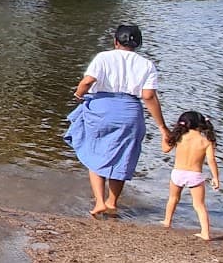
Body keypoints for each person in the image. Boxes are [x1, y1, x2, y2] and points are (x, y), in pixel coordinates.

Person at [64, 23, 169, 217]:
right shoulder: (147, 64)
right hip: (130, 112)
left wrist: (78, 95)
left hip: (101, 110)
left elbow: (87, 81)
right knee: (123, 156)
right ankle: (112, 202)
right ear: (138, 43)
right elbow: (148, 96)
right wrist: (162, 128)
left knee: (94, 152)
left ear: (115, 41)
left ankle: (99, 202)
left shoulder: (103, 57)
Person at [162, 111, 221, 241]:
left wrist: (164, 134)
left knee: (173, 199)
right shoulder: (206, 141)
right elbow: (211, 160)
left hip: (177, 173)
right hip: (195, 175)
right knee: (199, 205)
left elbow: (165, 149)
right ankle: (205, 233)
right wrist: (215, 177)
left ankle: (167, 221)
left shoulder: (179, 137)